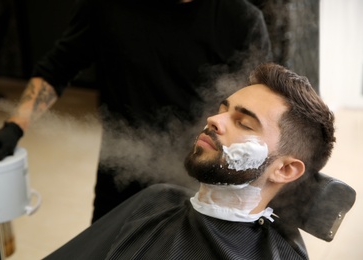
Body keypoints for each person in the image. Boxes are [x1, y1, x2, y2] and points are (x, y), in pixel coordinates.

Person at [0, 0, 272, 223]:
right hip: (122, 172)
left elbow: (257, 112)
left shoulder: (241, 20)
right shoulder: (106, 6)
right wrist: (15, 125)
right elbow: (58, 67)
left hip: (202, 178)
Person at [42, 63, 335, 259]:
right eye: (223, 110)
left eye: (244, 123)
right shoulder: (155, 200)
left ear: (284, 169)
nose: (214, 120)